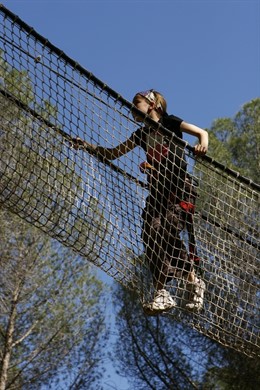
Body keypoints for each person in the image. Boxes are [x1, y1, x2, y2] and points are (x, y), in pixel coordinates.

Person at [72, 89, 208, 315]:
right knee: (150, 232)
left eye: (137, 103)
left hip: (179, 189)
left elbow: (201, 133)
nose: (133, 107)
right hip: (158, 191)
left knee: (168, 229)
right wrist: (87, 145)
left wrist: (202, 144)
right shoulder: (141, 135)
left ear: (152, 105)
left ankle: (192, 280)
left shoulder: (169, 123)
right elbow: (111, 154)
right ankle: (164, 291)